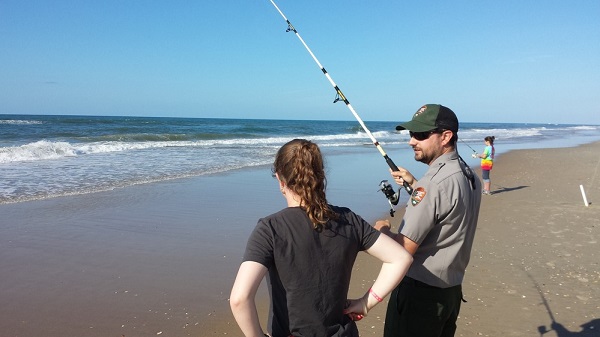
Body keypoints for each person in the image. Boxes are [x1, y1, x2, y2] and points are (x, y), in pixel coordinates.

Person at [230, 139, 413, 337]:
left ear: (280, 180)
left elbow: (240, 299)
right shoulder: (348, 219)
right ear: (321, 175)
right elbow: (401, 258)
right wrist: (366, 303)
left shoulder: (271, 228)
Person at [374, 104, 482, 337]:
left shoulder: (433, 184)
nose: (412, 141)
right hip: (450, 294)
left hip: (420, 297)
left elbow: (401, 250)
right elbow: (448, 212)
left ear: (445, 137)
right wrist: (413, 183)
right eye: (412, 134)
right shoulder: (469, 175)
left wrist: (381, 230)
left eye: (421, 135)